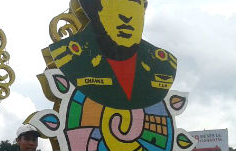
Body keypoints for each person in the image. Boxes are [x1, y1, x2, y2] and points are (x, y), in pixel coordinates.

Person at [46, 0, 176, 110]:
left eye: (135, 1)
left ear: (144, 7)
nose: (126, 15)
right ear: (93, 7)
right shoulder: (68, 57)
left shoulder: (164, 64)